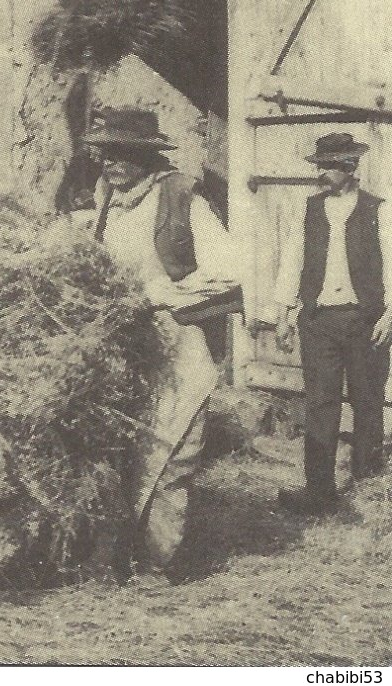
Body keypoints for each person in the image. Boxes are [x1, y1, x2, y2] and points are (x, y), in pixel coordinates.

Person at [80, 109, 239, 580]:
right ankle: (114, 558)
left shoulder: (182, 198)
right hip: (121, 344)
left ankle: (158, 562)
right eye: (108, 153)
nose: (114, 162)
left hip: (176, 343)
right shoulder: (106, 201)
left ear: (149, 156)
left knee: (172, 452)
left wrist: (162, 295)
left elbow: (230, 270)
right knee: (120, 454)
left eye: (126, 152)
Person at [266, 133, 391, 514]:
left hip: (365, 320)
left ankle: (368, 487)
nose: (323, 172)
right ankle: (319, 491)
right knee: (321, 403)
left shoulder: (379, 210)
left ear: (350, 167)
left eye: (331, 166)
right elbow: (292, 262)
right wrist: (284, 313)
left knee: (367, 400)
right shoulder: (309, 209)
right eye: (320, 165)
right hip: (319, 320)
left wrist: (390, 314)